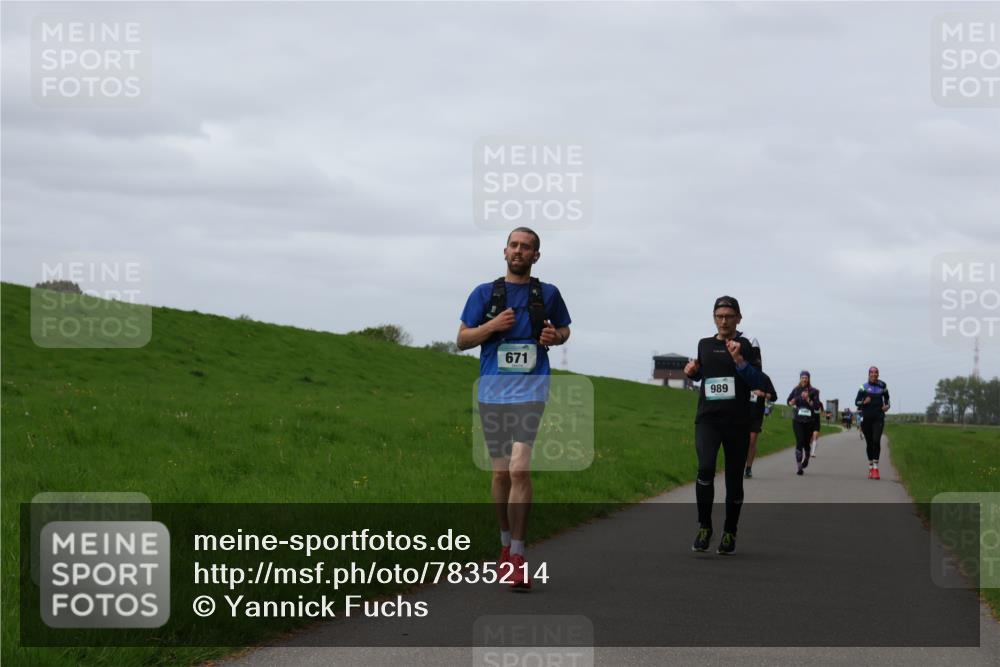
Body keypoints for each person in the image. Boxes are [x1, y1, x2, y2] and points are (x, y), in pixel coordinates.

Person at [457, 227, 571, 590]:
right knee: (500, 475)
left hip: (532, 390)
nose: (519, 251)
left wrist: (555, 336)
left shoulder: (548, 294)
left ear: (536, 256)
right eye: (514, 245)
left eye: (526, 247)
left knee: (519, 470)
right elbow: (462, 339)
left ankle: (519, 556)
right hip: (493, 392)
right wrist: (492, 325)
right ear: (504, 251)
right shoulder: (484, 294)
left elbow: (564, 330)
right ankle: (505, 545)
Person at [683, 296, 764, 555]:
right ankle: (704, 527)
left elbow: (757, 380)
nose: (724, 321)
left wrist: (740, 360)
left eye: (729, 316)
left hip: (737, 422)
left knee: (733, 480)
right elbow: (703, 374)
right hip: (708, 419)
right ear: (714, 318)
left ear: (738, 318)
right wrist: (692, 372)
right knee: (705, 468)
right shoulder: (704, 344)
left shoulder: (747, 346)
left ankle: (730, 531)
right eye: (719, 316)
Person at [855, 366, 890, 480]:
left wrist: (887, 406)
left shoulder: (883, 386)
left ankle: (875, 468)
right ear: (869, 374)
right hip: (866, 418)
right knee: (869, 443)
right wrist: (864, 402)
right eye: (872, 373)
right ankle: (870, 467)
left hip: (878, 417)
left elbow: (887, 400)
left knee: (876, 441)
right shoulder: (863, 387)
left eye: (876, 373)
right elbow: (856, 402)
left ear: (878, 374)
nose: (874, 375)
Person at [787, 371, 822, 475]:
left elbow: (817, 406)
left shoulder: (814, 391)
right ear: (800, 379)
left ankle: (806, 457)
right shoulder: (796, 390)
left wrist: (808, 399)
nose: (804, 379)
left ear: (809, 379)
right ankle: (799, 467)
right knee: (800, 441)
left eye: (806, 377)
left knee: (806, 443)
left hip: (809, 421)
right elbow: (788, 401)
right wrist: (791, 402)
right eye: (802, 377)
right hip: (798, 420)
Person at [745, 370, 778, 479]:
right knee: (740, 442)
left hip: (756, 414)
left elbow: (774, 396)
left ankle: (748, 468)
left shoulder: (764, 378)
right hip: (741, 413)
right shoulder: (741, 373)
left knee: (752, 441)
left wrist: (763, 394)